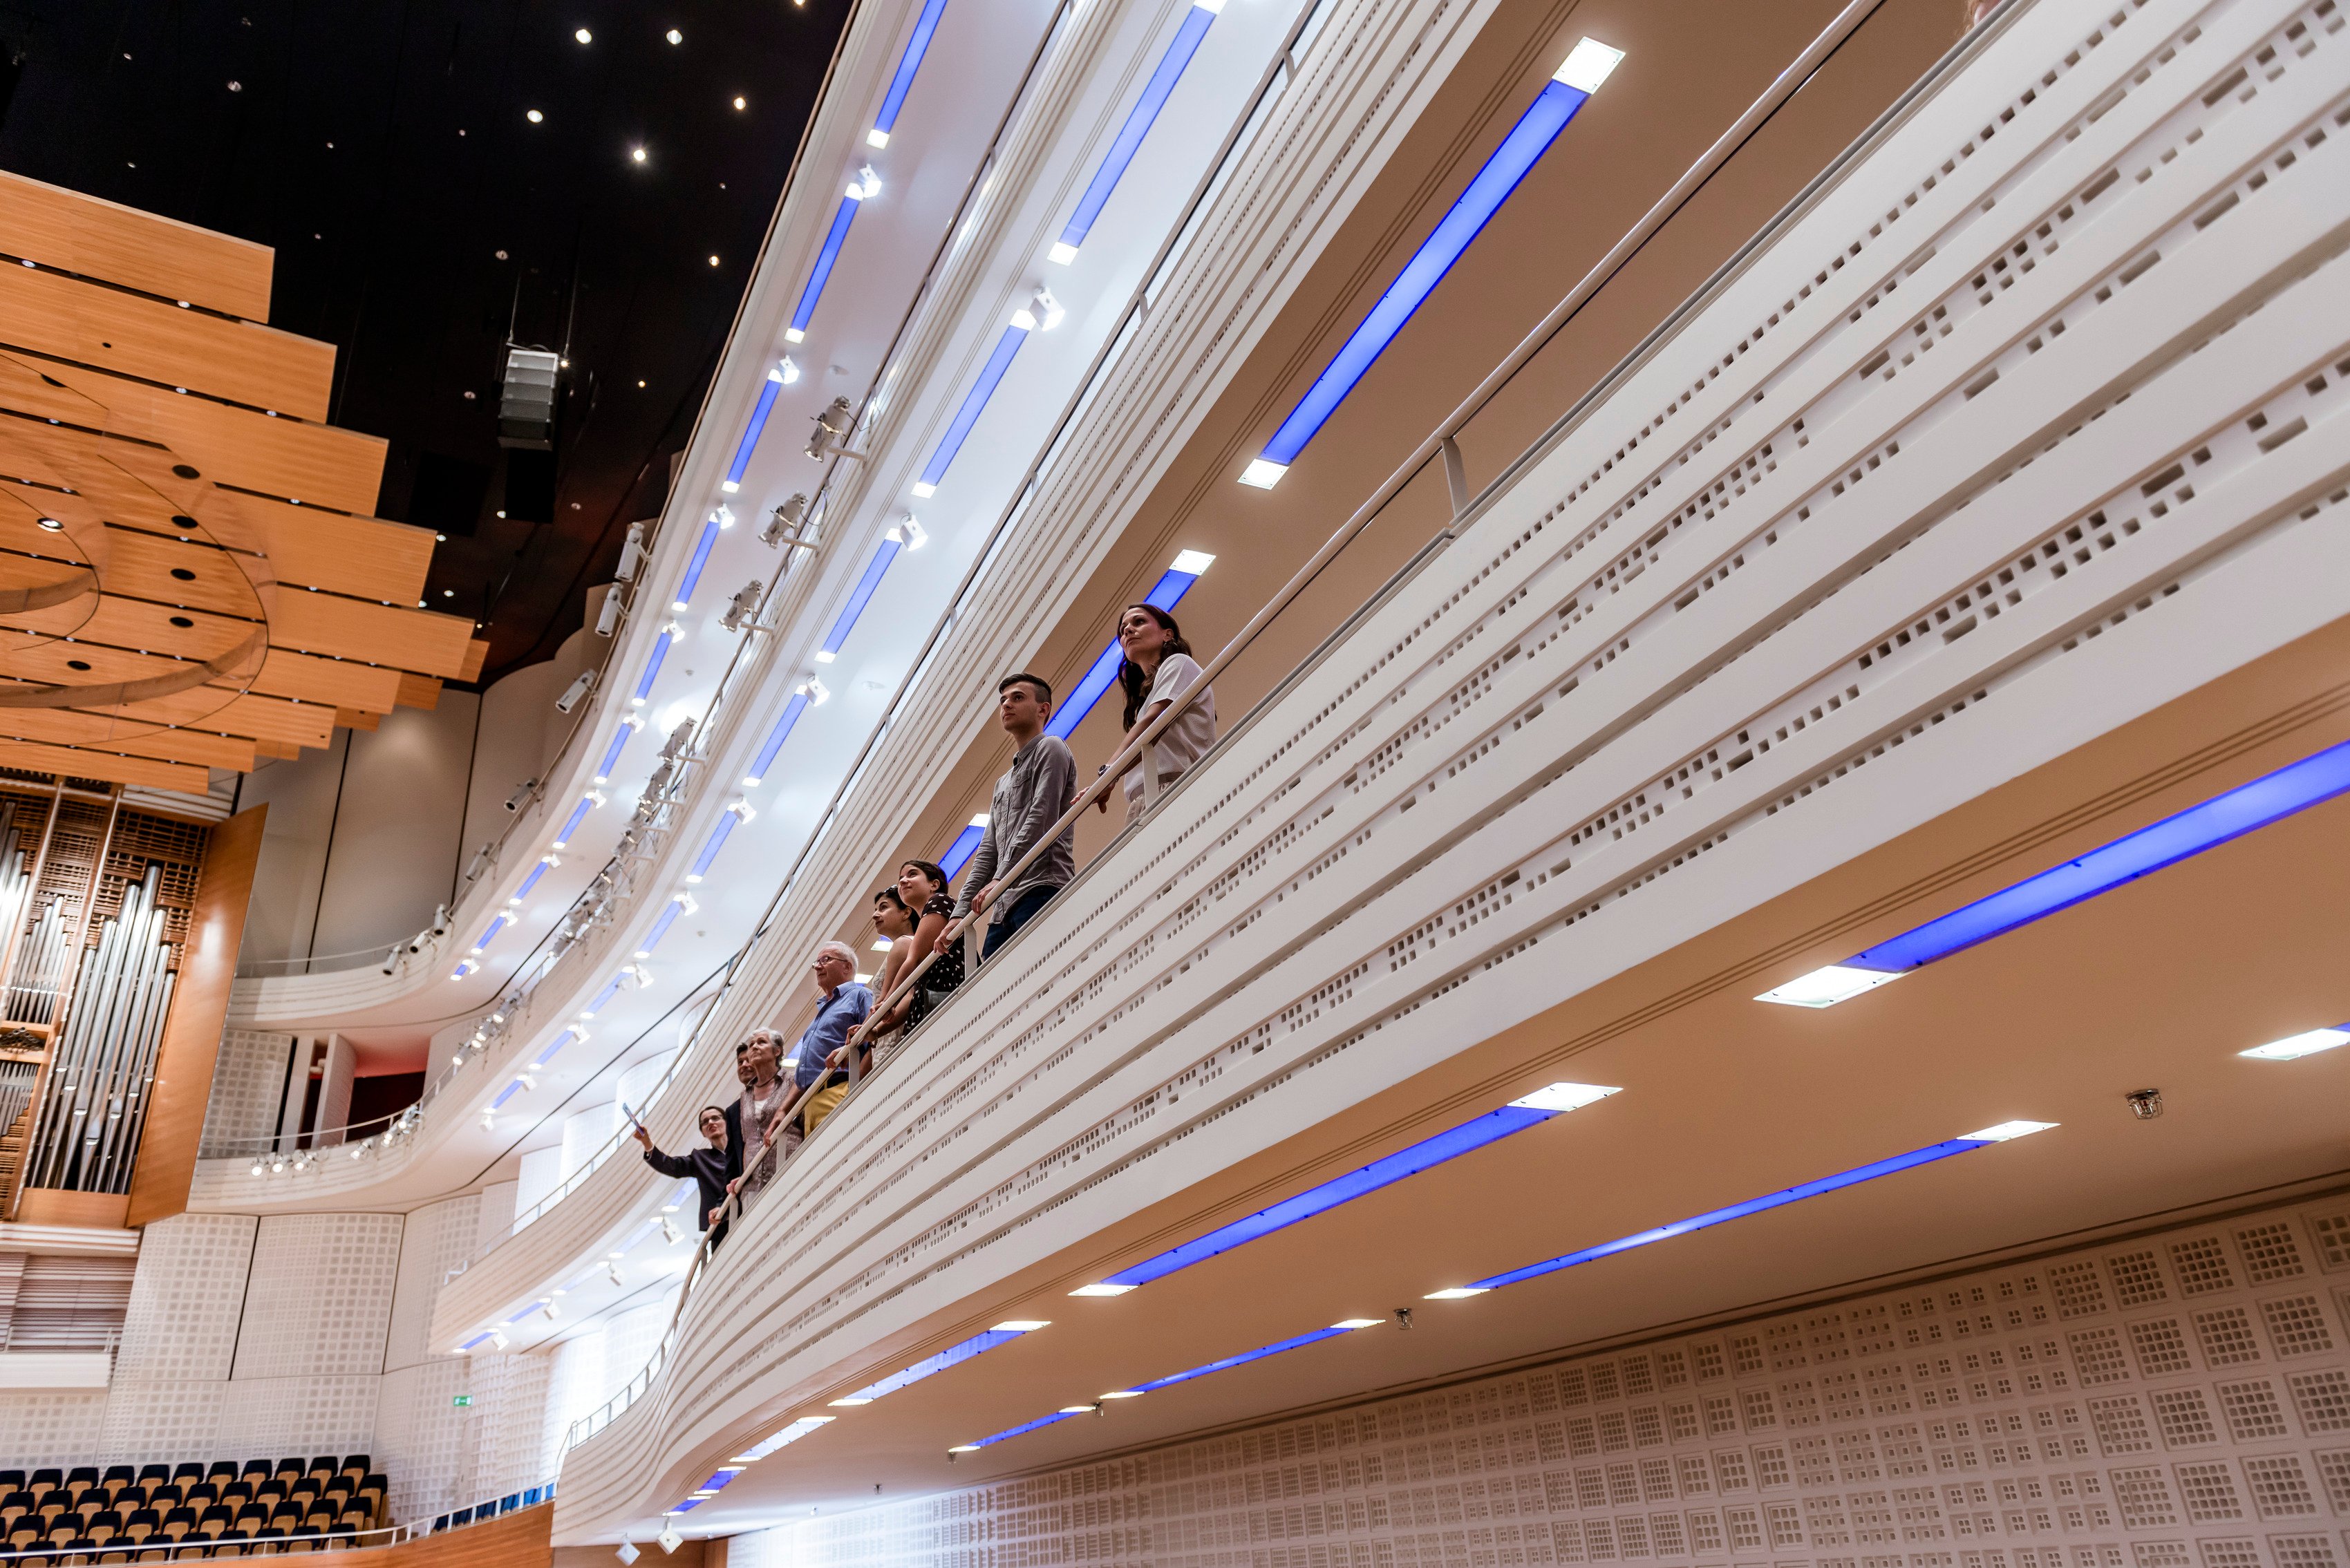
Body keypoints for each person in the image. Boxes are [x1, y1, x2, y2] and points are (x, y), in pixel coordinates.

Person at [943, 674, 1078, 964]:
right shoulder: (1002, 782)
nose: (1006, 704)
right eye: (1003, 700)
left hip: (1041, 887)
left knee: (1045, 976)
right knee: (995, 999)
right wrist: (959, 914)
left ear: (1043, 709)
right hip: (1002, 905)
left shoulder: (1051, 747)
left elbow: (1041, 818)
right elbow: (987, 852)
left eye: (1017, 698)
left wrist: (1001, 878)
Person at [1095, 604, 1215, 824]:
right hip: (1142, 800)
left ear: (1167, 634)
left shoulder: (1180, 663)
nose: (1128, 631)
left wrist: (1109, 773)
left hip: (1177, 786)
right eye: (1123, 630)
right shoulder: (1146, 701)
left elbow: (1153, 723)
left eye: (1139, 622)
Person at [780, 941, 872, 1138]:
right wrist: (782, 1111)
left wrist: (854, 1089)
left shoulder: (860, 995)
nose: (818, 966)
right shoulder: (822, 1011)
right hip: (811, 1101)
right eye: (817, 963)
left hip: (838, 1090)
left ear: (847, 966)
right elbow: (805, 1072)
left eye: (826, 960)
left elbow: (876, 1040)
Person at [632, 1103, 736, 1249]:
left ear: (726, 1122)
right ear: (703, 1133)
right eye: (705, 1122)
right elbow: (669, 1165)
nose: (711, 1123)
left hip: (750, 1207)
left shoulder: (742, 1146)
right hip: (721, 1224)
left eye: (715, 1118)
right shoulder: (700, 1159)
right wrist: (647, 1142)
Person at [893, 859, 963, 1032]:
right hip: (932, 999)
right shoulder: (923, 924)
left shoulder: (940, 901)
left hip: (948, 998)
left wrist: (886, 1004)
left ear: (934, 884)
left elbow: (914, 960)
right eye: (901, 878)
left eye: (912, 874)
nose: (902, 881)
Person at [726, 1030, 793, 1207]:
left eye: (761, 1042)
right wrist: (744, 1176)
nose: (754, 1047)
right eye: (751, 1045)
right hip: (752, 1186)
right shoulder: (745, 1095)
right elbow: (749, 1140)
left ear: (777, 1051)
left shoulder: (791, 1081)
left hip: (789, 1171)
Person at [866, 887, 920, 1047]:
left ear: (906, 913)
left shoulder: (904, 943)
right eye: (876, 909)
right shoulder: (909, 944)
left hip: (893, 1035)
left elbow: (888, 1000)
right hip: (887, 1034)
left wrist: (866, 1030)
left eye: (884, 907)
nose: (875, 915)